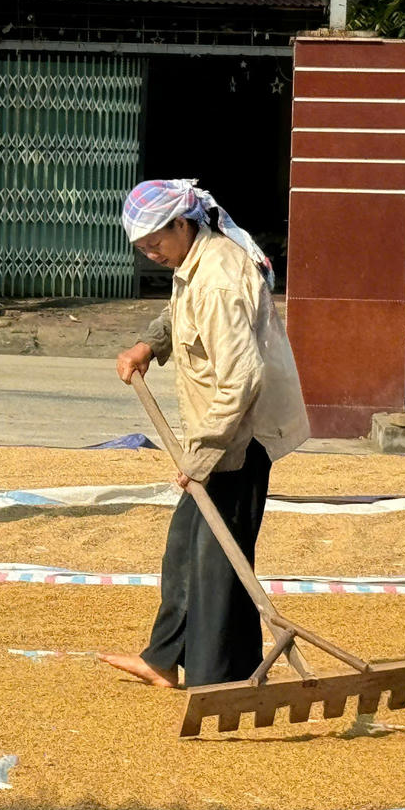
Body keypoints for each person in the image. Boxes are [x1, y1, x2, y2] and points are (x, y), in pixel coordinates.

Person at [97, 179, 310, 689]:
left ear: (182, 223)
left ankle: (217, 678)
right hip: (219, 433)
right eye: (141, 248)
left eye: (156, 242)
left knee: (216, 561)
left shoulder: (217, 276)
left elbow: (242, 380)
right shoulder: (194, 262)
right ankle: (165, 659)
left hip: (240, 435)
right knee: (188, 547)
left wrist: (202, 454)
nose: (151, 254)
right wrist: (149, 345)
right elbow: (180, 314)